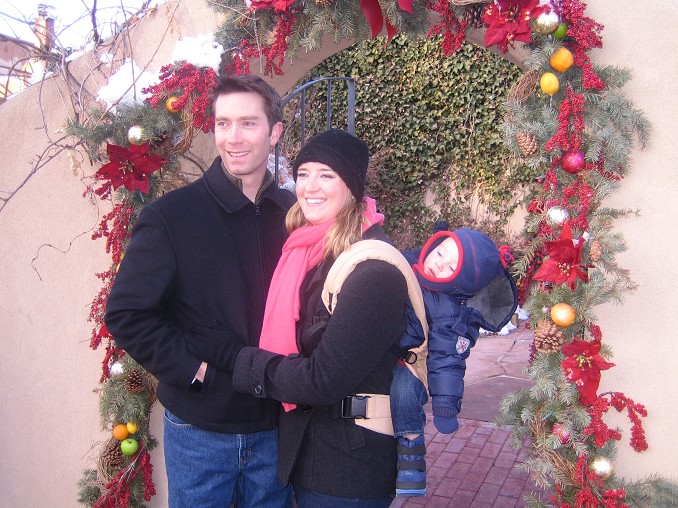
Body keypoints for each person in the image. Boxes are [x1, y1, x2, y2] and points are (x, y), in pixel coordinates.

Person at [104, 75, 295, 508]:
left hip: (276, 426)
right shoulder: (172, 216)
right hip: (201, 432)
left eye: (248, 123)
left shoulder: (291, 214)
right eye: (223, 123)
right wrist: (195, 370)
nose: (233, 137)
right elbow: (127, 313)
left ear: (274, 132)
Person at [210, 129, 410, 507]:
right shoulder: (307, 249)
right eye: (303, 173)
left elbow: (322, 381)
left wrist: (239, 362)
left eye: (326, 174)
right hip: (311, 454)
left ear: (351, 186)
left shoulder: (373, 272)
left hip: (348, 469)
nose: (309, 186)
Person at [391, 223, 518, 496]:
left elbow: (447, 359)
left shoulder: (447, 311)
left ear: (460, 283)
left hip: (412, 362)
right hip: (383, 348)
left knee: (403, 391)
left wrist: (445, 405)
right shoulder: (405, 263)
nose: (438, 265)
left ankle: (411, 453)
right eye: (440, 254)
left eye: (450, 268)